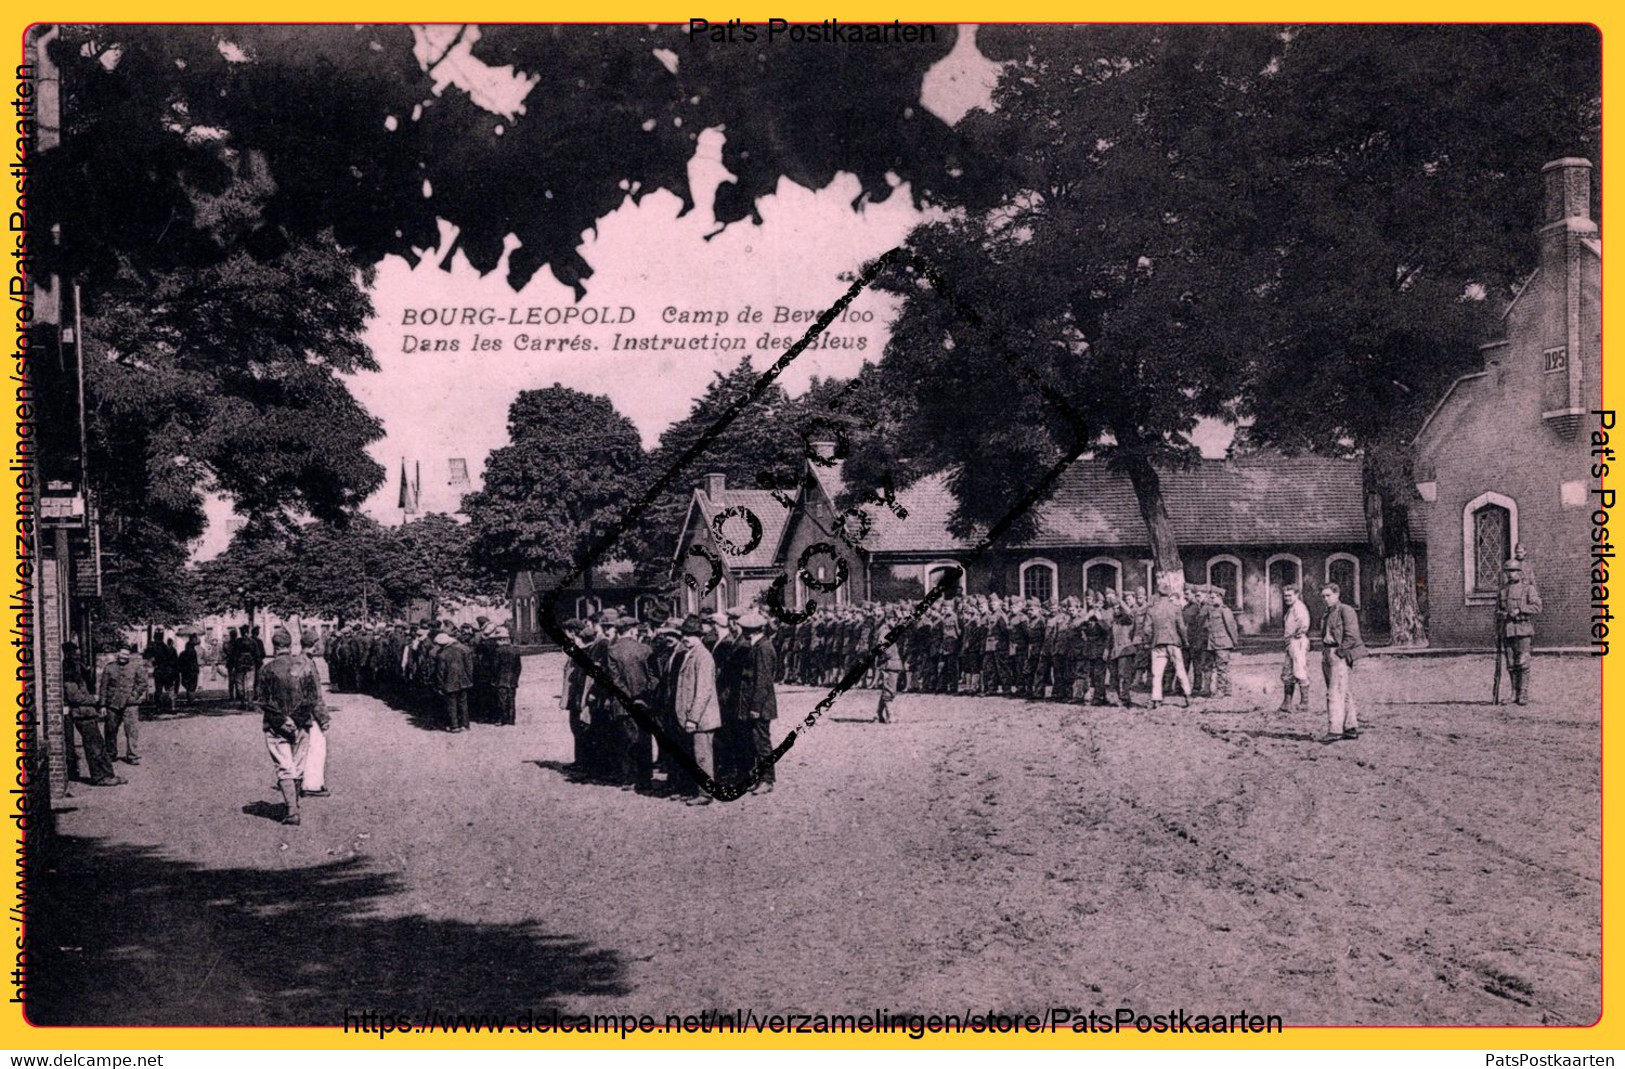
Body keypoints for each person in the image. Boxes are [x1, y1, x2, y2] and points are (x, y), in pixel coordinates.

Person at [255, 627, 328, 826]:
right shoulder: (304, 666)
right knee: (297, 766)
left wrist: (282, 719)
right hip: (302, 723)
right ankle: (294, 805)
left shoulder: (266, 669)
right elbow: (312, 698)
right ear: (290, 645)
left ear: (274, 645)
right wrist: (296, 718)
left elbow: (262, 700)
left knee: (284, 767)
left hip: (275, 725)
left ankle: (292, 810)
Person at [673, 614, 720, 801]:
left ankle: (705, 793)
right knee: (694, 755)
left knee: (703, 756)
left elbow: (703, 691)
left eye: (690, 634)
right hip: (692, 716)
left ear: (699, 635)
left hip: (702, 718)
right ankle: (694, 790)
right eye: (684, 634)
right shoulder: (690, 653)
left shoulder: (703, 656)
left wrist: (693, 718)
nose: (685, 637)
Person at [734, 610, 779, 793]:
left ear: (750, 630)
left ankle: (767, 780)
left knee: (762, 742)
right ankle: (759, 777)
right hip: (752, 703)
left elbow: (763, 680)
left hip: (759, 705)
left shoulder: (763, 648)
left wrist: (756, 707)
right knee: (753, 741)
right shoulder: (757, 645)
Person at [1319, 582, 1366, 741]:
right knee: (1343, 691)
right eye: (1323, 596)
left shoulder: (1345, 610)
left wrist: (1339, 653)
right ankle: (1350, 727)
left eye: (1328, 595)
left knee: (1334, 692)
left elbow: (1352, 635)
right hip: (1327, 651)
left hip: (1337, 652)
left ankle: (1335, 730)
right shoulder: (1328, 613)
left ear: (1337, 595)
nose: (1325, 599)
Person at [65, 668, 123, 786]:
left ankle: (108, 774)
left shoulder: (78, 680)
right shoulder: (69, 682)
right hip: (82, 716)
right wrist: (94, 699)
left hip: (88, 714)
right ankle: (99, 777)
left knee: (99, 746)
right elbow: (75, 698)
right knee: (93, 748)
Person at [1498, 558, 1543, 705]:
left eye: (1513, 571)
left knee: (1523, 662)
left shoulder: (1528, 589)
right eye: (1508, 572)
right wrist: (1501, 618)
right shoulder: (1503, 591)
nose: (1510, 575)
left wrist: (1520, 610)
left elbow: (1537, 607)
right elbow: (1497, 611)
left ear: (1520, 572)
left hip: (1523, 629)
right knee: (1511, 663)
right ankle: (1513, 694)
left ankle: (1523, 694)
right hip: (1508, 630)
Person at [296, 627, 331, 798]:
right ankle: (312, 785)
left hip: (299, 711)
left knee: (303, 747)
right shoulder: (308, 664)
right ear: (314, 645)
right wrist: (323, 717)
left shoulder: (298, 661)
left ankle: (301, 780)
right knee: (317, 747)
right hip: (310, 713)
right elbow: (315, 695)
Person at [1145, 580, 1192, 709]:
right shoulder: (1175, 608)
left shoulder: (1151, 610)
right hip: (1173, 643)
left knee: (1157, 673)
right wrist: (1185, 641)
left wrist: (1149, 641)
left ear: (1157, 594)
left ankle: (1156, 699)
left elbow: (1147, 630)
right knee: (1180, 670)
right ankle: (1188, 696)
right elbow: (1181, 627)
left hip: (1158, 643)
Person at [99, 645, 148, 765]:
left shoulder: (135, 667)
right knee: (110, 730)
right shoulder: (109, 668)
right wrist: (102, 705)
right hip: (112, 704)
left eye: (126, 655)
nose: (123, 657)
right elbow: (103, 687)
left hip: (130, 704)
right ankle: (111, 753)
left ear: (129, 656)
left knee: (131, 731)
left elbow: (142, 683)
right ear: (118, 654)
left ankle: (132, 755)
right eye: (121, 654)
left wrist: (134, 695)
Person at [1277, 585, 1312, 713]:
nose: (1287, 598)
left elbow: (1304, 623)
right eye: (1285, 596)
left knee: (1299, 670)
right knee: (1287, 672)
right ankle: (1287, 703)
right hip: (1291, 642)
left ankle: (1304, 703)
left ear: (1296, 595)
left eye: (1290, 595)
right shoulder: (1291, 608)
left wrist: (1300, 632)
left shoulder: (1299, 607)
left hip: (1298, 642)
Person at [433, 630, 474, 732]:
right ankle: (465, 724)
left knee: (451, 704)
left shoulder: (441, 654)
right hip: (463, 680)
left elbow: (440, 672)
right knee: (463, 703)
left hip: (449, 682)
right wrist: (469, 678)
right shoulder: (460, 650)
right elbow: (469, 666)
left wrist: (439, 686)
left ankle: (454, 725)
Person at [1203, 587, 1239, 699]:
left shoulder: (1225, 610)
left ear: (1220, 598)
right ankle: (1227, 690)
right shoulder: (1210, 610)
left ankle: (1221, 691)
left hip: (1223, 643)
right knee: (1219, 667)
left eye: (1213, 597)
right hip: (1213, 643)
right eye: (1210, 597)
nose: (1211, 599)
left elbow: (1231, 627)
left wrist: (1234, 642)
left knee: (1221, 668)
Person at [488, 626, 523, 725]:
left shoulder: (498, 651)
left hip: (501, 678)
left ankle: (502, 719)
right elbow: (518, 667)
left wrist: (494, 677)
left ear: (501, 639)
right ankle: (511, 719)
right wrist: (516, 677)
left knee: (502, 700)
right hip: (512, 679)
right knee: (511, 699)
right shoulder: (515, 650)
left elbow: (495, 667)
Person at [179, 635, 201, 704]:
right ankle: (191, 700)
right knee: (191, 685)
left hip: (187, 670)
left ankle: (190, 700)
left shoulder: (185, 652)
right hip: (191, 670)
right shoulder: (192, 650)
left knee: (188, 685)